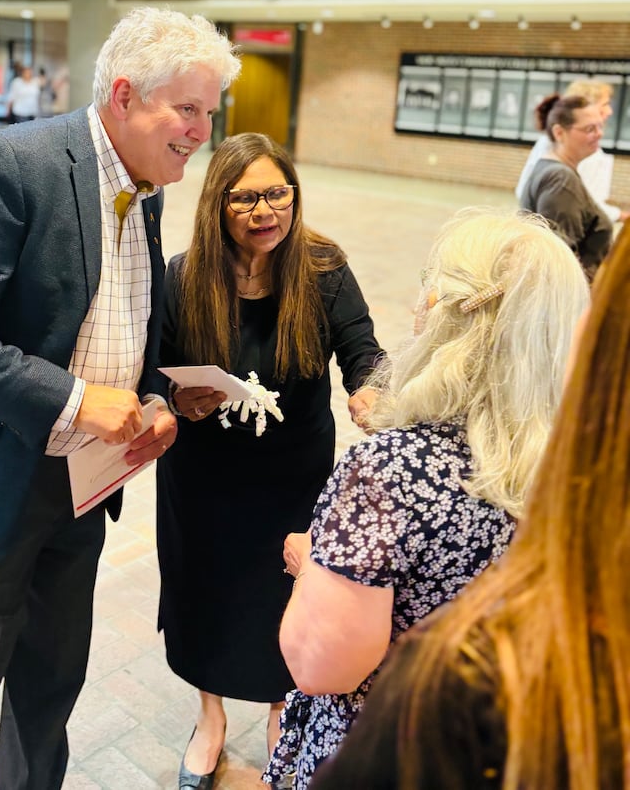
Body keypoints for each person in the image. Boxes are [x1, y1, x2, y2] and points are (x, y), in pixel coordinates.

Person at [0, 8, 240, 790]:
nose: (204, 130)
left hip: (78, 489)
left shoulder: (148, 185)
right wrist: (73, 400)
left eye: (210, 111)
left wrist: (156, 393)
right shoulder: (9, 164)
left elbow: (120, 321)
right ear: (126, 96)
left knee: (48, 689)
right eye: (189, 109)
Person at [263, 209, 590, 789]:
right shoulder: (583, 461)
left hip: (393, 750)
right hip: (510, 741)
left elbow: (321, 666)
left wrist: (314, 566)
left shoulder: (391, 469)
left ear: (444, 314)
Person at [157, 132, 384, 790]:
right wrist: (177, 398)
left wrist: (369, 389)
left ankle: (282, 708)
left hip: (293, 475)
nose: (265, 210)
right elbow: (159, 367)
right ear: (217, 205)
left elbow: (363, 350)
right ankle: (210, 717)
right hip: (203, 477)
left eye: (277, 192)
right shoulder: (184, 274)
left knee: (283, 595)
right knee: (206, 593)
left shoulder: (323, 268)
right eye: (246, 197)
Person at [518, 93, 614, 280]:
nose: (599, 134)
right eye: (589, 129)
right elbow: (559, 261)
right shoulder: (560, 179)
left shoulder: (554, 170)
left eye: (600, 127)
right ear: (559, 133)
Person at [515, 80, 629, 224]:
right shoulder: (567, 168)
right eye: (605, 105)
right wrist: (621, 215)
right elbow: (588, 207)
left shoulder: (548, 145)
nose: (609, 111)